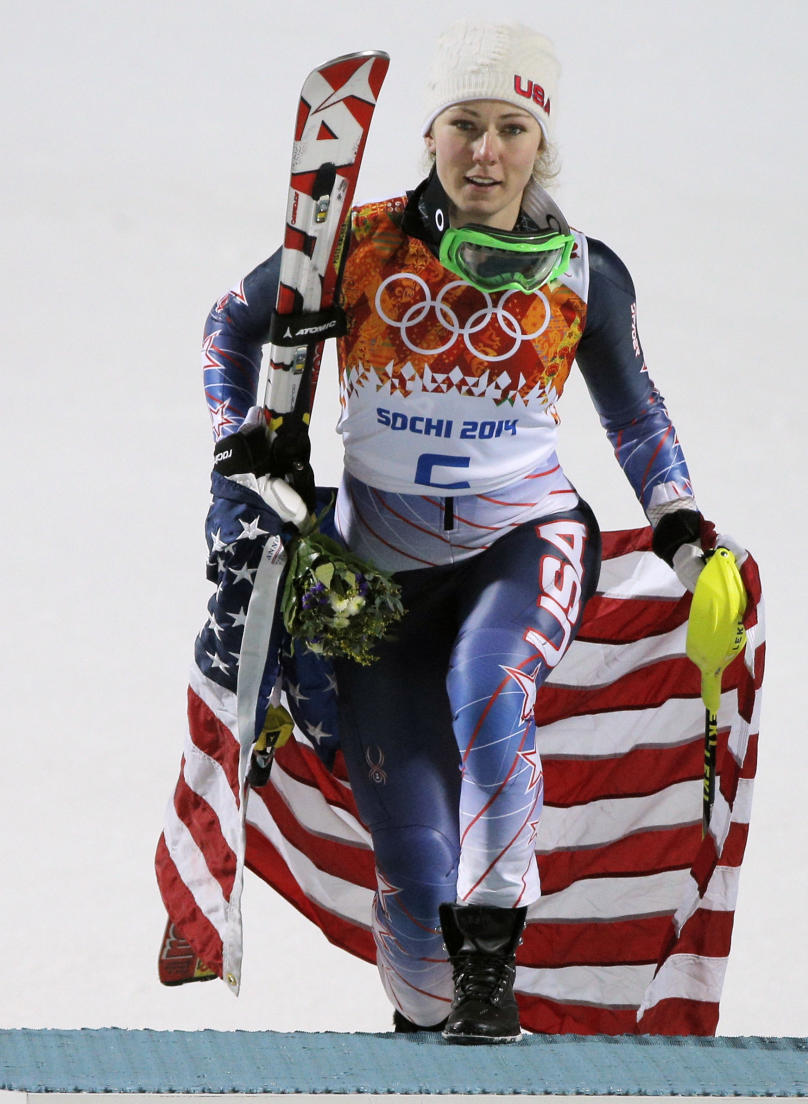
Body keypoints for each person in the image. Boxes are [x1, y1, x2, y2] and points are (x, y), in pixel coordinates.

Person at [161, 22, 747, 1042]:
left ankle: (492, 960)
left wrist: (681, 523)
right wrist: (245, 444)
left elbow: (637, 413)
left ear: (541, 144)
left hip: (520, 543)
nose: (487, 151)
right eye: (465, 125)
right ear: (431, 137)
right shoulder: (357, 246)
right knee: (414, 871)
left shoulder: (584, 274)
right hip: (372, 581)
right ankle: (433, 1003)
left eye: (511, 129)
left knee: (491, 687)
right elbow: (228, 326)